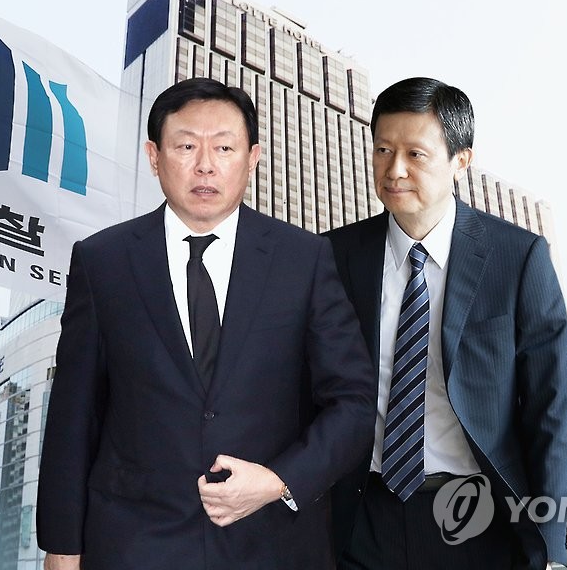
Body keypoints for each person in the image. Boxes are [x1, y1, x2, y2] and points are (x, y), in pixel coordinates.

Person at [36, 77, 376, 570]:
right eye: (186, 146)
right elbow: (74, 412)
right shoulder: (103, 261)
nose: (205, 165)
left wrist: (278, 481)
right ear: (154, 156)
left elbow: (354, 402)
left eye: (224, 147)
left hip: (272, 545)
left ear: (252, 158)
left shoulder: (303, 259)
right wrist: (62, 545)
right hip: (135, 544)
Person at [326, 77, 567, 569]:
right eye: (382, 150)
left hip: (479, 520)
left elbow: (550, 410)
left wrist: (550, 547)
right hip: (360, 520)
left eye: (415, 154)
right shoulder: (331, 257)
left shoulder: (518, 258)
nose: (394, 170)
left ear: (461, 160)